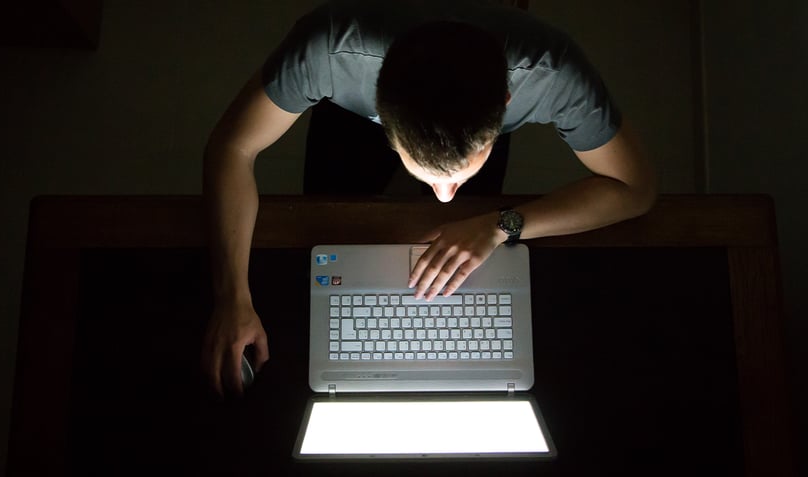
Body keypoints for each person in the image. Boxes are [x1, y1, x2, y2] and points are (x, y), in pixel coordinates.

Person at [201, 0, 657, 396]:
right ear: (378, 107)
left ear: (505, 103)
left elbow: (636, 189)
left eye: (457, 178)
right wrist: (232, 297)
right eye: (429, 175)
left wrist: (502, 224)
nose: (443, 198)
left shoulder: (553, 72)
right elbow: (233, 147)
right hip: (356, 95)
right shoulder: (328, 50)